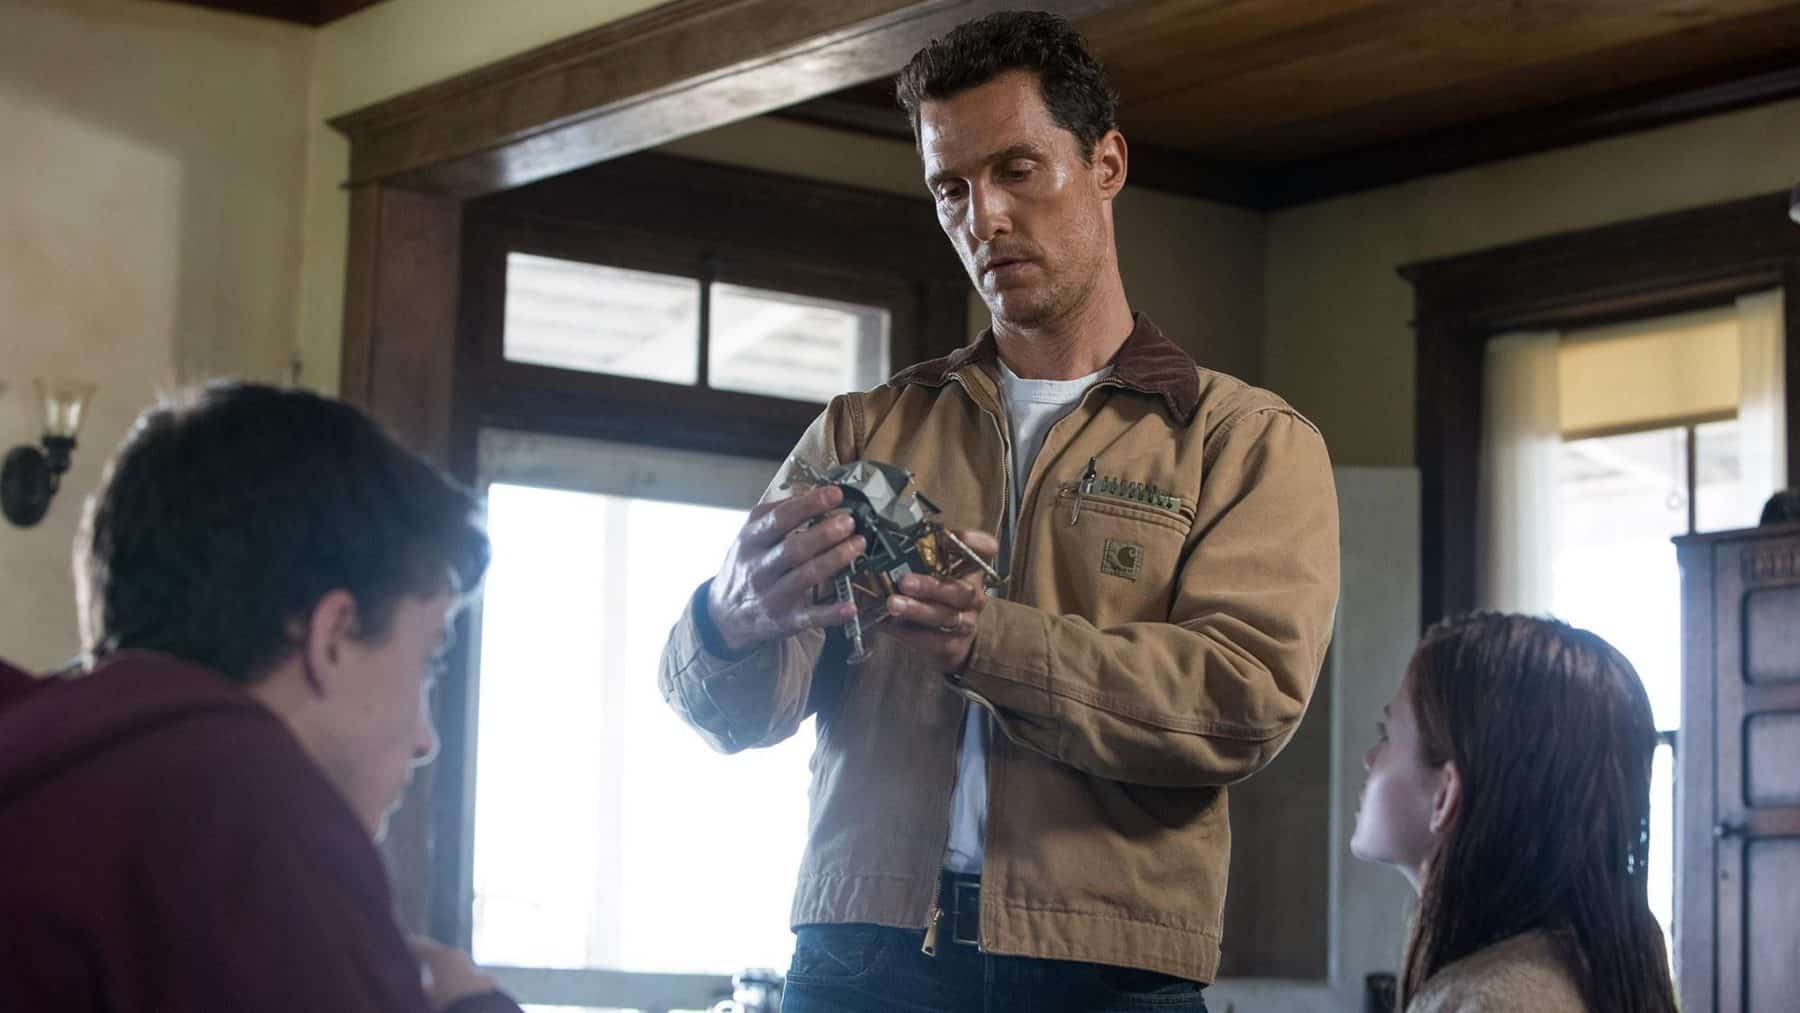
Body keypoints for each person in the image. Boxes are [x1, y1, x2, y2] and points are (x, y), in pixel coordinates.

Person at [659, 11, 1340, 1010]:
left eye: (1017, 170)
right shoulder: (860, 429)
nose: (984, 217)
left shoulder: (1243, 439)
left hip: (1107, 968)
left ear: (1106, 164)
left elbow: (1241, 700)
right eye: (952, 188)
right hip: (860, 953)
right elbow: (737, 715)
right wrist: (728, 621)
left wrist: (993, 644)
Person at [0, 383, 521, 1013]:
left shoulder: (49, 778)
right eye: (428, 661)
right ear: (333, 636)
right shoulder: (247, 823)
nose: (425, 740)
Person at [1350, 612, 1679, 1012]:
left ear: (1445, 794)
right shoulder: (1601, 964)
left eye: (1386, 735)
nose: (1369, 759)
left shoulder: (1490, 1002)